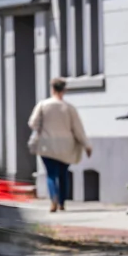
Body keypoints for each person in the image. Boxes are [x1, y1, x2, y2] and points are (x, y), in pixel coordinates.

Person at [28, 78, 92, 213]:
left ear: (52, 88)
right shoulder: (69, 108)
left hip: (47, 145)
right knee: (63, 175)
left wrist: (42, 128)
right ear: (64, 90)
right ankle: (62, 203)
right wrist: (86, 145)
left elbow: (33, 123)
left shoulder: (43, 105)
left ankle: (53, 200)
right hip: (66, 146)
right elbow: (78, 129)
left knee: (51, 174)